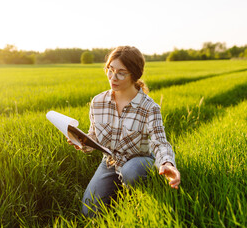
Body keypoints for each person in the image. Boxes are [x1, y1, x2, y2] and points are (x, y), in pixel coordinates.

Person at [67, 46, 181, 217]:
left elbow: (160, 142)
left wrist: (167, 163)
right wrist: (82, 142)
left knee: (131, 172)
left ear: (135, 75)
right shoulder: (98, 102)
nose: (113, 77)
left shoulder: (149, 108)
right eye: (110, 70)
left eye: (121, 73)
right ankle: (120, 191)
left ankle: (144, 196)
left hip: (139, 162)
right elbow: (95, 136)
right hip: (111, 162)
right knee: (89, 210)